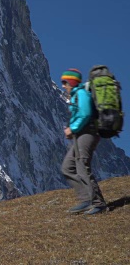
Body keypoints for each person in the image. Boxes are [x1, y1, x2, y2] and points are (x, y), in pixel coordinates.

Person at [60, 68, 107, 215]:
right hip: (80, 134)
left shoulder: (81, 93)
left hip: (88, 133)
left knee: (82, 167)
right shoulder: (76, 95)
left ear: (71, 82)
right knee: (67, 167)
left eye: (65, 82)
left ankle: (98, 203)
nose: (63, 85)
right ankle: (86, 199)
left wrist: (72, 129)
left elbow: (86, 114)